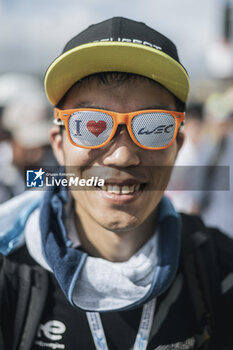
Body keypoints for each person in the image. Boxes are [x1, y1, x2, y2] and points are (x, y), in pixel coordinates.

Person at [0, 17, 233, 350]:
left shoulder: (219, 271)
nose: (122, 156)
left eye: (153, 127)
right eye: (89, 124)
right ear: (57, 143)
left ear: (177, 146)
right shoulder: (10, 271)